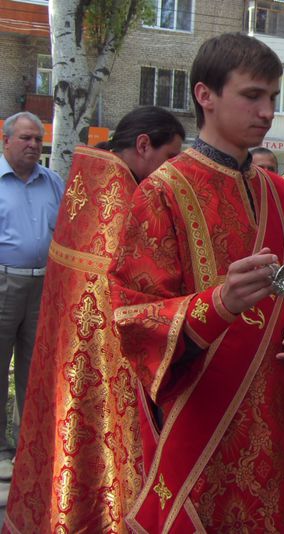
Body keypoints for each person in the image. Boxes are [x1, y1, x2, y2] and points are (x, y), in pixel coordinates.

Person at [107, 34, 284, 532]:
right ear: (204, 95)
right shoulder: (162, 192)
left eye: (274, 97)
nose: (267, 110)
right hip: (203, 414)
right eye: (252, 95)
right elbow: (132, 315)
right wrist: (219, 304)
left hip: (273, 410)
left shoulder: (278, 192)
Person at [3, 106, 185, 532]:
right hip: (102, 371)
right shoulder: (121, 201)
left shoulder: (84, 182)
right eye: (168, 158)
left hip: (68, 360)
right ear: (143, 146)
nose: (170, 171)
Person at [0, 111, 64, 478]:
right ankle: (0, 449)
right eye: (25, 138)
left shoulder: (53, 182)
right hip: (4, 282)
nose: (33, 145)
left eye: (38, 139)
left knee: (36, 367)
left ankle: (29, 446)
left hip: (44, 286)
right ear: (6, 141)